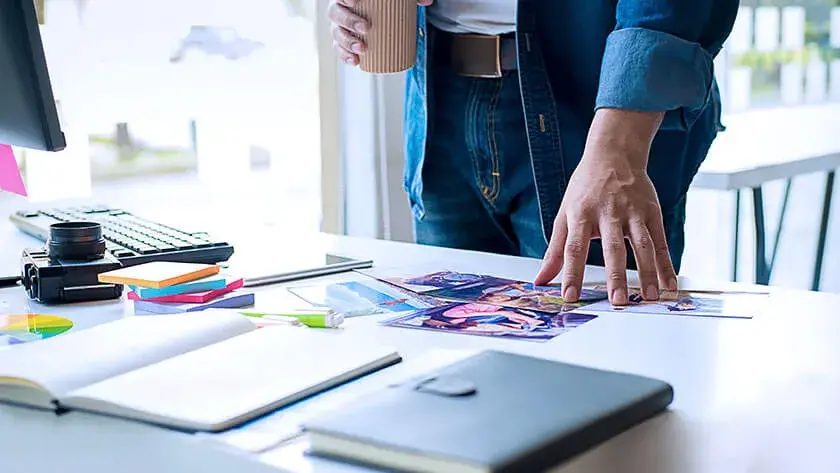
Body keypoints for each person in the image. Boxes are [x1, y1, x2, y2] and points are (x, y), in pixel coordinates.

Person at [328, 1, 738, 306]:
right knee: (454, 374)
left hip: (595, 106)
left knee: (597, 369)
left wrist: (619, 144)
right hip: (437, 100)